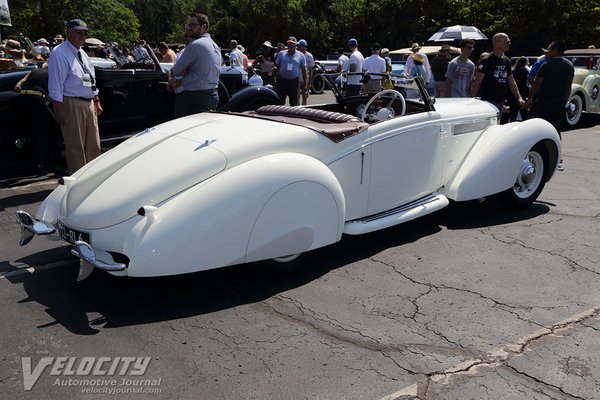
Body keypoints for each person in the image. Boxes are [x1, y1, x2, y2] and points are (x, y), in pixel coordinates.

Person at [48, 18, 103, 174]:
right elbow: (56, 85)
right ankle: (78, 182)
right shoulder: (59, 53)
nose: (82, 36)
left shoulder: (82, 53)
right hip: (71, 103)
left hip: (88, 103)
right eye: (78, 32)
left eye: (84, 33)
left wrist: (96, 99)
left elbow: (90, 78)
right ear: (68, 32)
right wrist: (59, 110)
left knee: (94, 146)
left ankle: (91, 177)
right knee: (76, 147)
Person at [527, 40, 574, 171]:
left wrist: (530, 98)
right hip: (559, 104)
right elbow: (569, 85)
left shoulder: (546, 65)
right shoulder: (569, 65)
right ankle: (557, 159)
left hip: (543, 103)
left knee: (538, 130)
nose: (547, 52)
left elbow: (537, 84)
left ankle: (536, 156)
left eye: (549, 49)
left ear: (555, 50)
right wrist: (566, 101)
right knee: (556, 130)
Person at [170, 13, 222, 117]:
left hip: (195, 97)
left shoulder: (196, 45)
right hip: (212, 94)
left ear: (204, 27)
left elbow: (176, 70)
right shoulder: (214, 45)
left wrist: (181, 73)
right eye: (189, 25)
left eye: (193, 25)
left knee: (188, 131)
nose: (189, 28)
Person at [470, 32, 525, 117]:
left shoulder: (507, 60)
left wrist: (519, 98)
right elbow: (477, 82)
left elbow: (511, 81)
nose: (509, 43)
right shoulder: (486, 60)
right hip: (487, 102)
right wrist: (471, 99)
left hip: (501, 100)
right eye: (507, 41)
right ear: (497, 43)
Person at [274, 36, 307, 106]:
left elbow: (304, 70)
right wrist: (276, 80)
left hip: (294, 82)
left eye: (292, 44)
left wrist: (305, 84)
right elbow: (277, 67)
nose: (290, 45)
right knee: (279, 102)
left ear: (295, 45)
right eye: (289, 43)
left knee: (294, 103)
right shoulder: (281, 54)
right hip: (282, 81)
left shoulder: (301, 55)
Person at [509, 56, 530, 121]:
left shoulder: (512, 71)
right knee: (524, 114)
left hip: (513, 94)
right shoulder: (526, 72)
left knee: (513, 114)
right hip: (523, 93)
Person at [296, 39, 314, 105]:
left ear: (303, 46)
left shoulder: (309, 56)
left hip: (305, 80)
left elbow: (311, 70)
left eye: (299, 45)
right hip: (297, 79)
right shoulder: (296, 54)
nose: (297, 47)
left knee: (304, 97)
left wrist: (309, 83)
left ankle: (303, 111)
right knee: (296, 97)